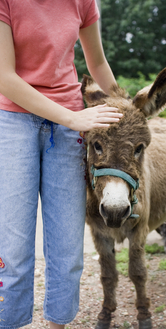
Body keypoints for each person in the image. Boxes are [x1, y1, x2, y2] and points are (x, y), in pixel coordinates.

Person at [0, 1, 123, 329]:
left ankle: (58, 326)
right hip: (13, 122)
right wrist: (72, 117)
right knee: (12, 251)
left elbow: (97, 63)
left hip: (69, 128)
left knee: (68, 248)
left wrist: (126, 109)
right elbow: (4, 77)